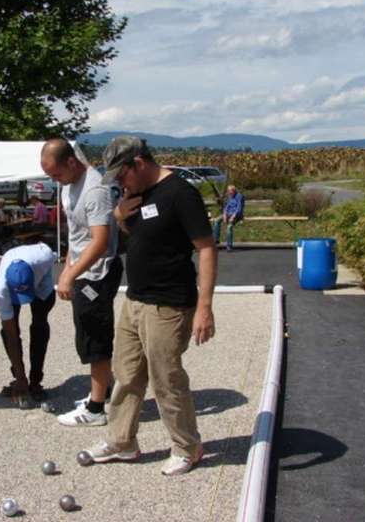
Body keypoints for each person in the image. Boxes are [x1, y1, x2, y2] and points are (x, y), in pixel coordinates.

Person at [83, 136, 217, 476]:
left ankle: (188, 447)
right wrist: (119, 216)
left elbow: (205, 248)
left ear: (139, 164)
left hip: (169, 305)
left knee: (166, 379)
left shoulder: (181, 194)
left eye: (122, 176)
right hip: (135, 299)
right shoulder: (135, 194)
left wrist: (205, 307)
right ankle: (122, 442)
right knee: (126, 374)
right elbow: (141, 239)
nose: (119, 184)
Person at [41, 138, 122, 427]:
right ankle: (104, 389)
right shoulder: (68, 185)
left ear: (71, 163)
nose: (54, 180)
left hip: (97, 274)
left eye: (56, 174)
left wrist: (69, 275)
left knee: (95, 336)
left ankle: (96, 410)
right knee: (85, 333)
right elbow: (77, 234)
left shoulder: (95, 190)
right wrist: (68, 265)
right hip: (80, 270)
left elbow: (99, 242)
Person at [0, 242, 56, 404]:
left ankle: (36, 380)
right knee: (7, 331)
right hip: (19, 273)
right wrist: (20, 376)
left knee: (39, 325)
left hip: (42, 278)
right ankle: (19, 377)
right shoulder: (2, 287)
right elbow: (10, 333)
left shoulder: (44, 258)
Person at [220, 185, 244, 251]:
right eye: (228, 191)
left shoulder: (239, 196)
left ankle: (229, 246)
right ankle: (216, 240)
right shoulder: (230, 196)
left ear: (234, 190)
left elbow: (239, 208)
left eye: (230, 191)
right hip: (228, 214)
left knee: (229, 227)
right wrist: (224, 214)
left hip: (236, 215)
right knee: (217, 221)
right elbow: (226, 207)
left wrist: (233, 216)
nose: (229, 193)